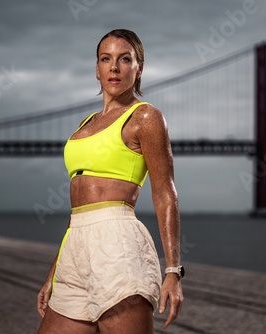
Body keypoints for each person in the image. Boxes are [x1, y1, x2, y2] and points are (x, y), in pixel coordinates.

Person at [37, 29, 183, 334]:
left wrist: (173, 271)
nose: (114, 67)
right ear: (96, 68)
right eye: (106, 59)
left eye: (124, 59)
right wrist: (54, 271)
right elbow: (77, 209)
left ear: (138, 67)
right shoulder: (85, 125)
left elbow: (165, 193)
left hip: (118, 245)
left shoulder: (145, 117)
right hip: (75, 248)